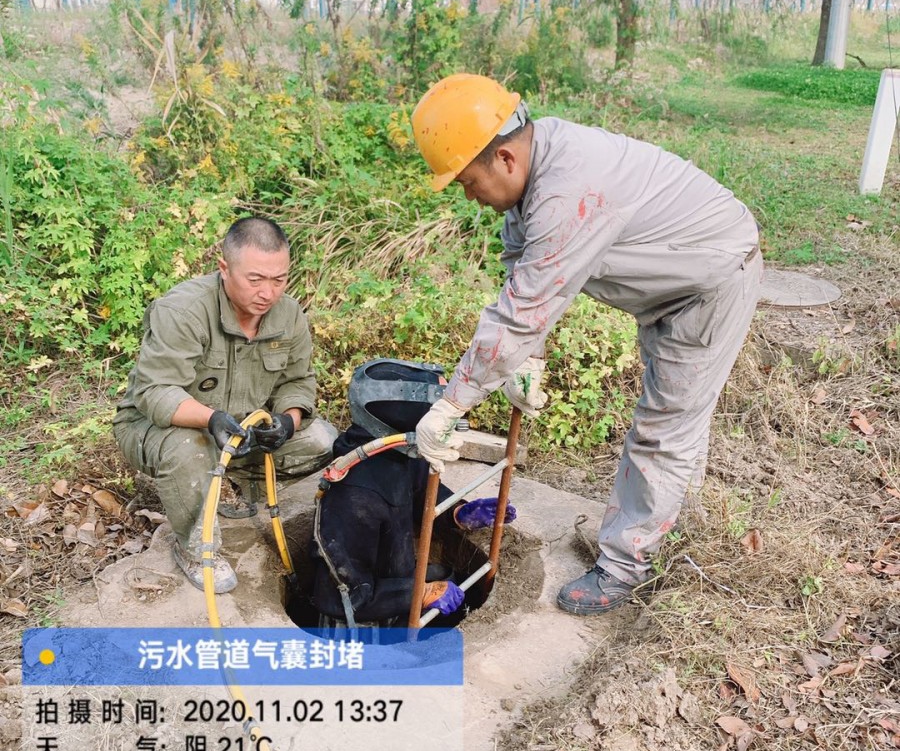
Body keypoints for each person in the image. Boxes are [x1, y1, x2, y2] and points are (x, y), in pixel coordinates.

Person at [411, 73, 763, 616]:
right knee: (676, 420)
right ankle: (673, 524)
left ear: (504, 158)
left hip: (707, 284)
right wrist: (526, 359)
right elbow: (519, 273)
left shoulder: (568, 187)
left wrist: (451, 404)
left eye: (467, 182)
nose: (470, 197)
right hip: (671, 283)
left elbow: (524, 307)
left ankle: (625, 570)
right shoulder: (531, 180)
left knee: (662, 430)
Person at [114, 217, 337, 594]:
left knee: (322, 440)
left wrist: (287, 420)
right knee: (190, 448)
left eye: (279, 280)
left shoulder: (289, 315)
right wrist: (210, 418)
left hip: (240, 429)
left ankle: (242, 480)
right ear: (224, 268)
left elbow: (298, 382)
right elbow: (155, 391)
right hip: (161, 427)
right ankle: (196, 549)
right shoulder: (183, 311)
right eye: (255, 280)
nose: (268, 293)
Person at [308, 359, 514, 627]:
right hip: (360, 624)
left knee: (450, 577)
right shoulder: (353, 497)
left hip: (393, 583)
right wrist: (421, 594)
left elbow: (422, 491)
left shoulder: (400, 456)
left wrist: (458, 512)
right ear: (399, 410)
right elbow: (342, 596)